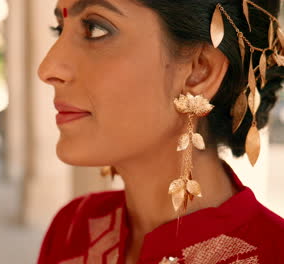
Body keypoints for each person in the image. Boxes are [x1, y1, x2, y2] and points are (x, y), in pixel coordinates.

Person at [36, 0, 284, 263]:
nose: (47, 69)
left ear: (199, 71)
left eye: (96, 29)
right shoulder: (74, 229)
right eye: (59, 29)